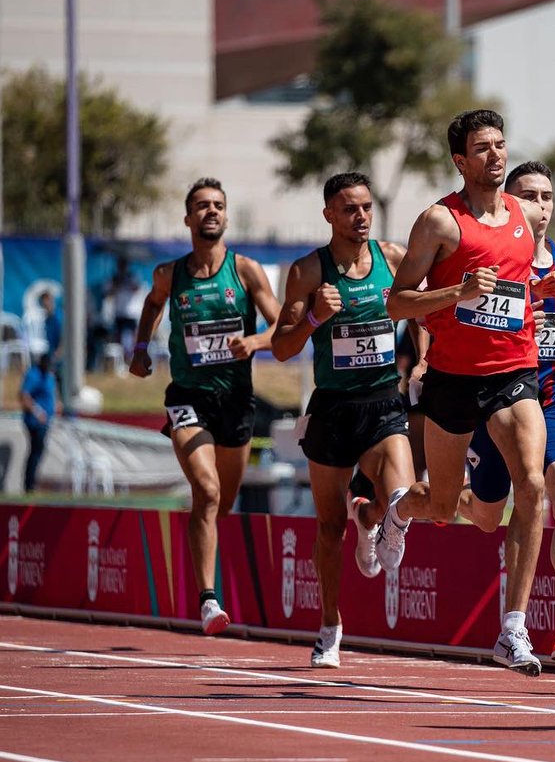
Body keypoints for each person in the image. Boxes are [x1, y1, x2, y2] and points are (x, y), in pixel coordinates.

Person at [381, 109, 552, 677]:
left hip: (514, 372)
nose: (496, 156)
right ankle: (402, 509)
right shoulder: (439, 223)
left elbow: (520, 280)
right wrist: (456, 290)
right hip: (453, 379)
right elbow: (398, 303)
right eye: (482, 148)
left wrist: (541, 286)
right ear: (461, 160)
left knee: (532, 485)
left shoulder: (526, 214)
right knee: (440, 505)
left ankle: (512, 628)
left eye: (501, 145)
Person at [457, 161, 555, 664]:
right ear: (509, 200)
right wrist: (528, 305)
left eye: (547, 197)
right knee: (484, 519)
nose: (540, 207)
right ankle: (446, 499)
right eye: (529, 196)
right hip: (505, 399)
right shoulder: (499, 257)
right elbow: (480, 322)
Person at [272, 172, 422, 668]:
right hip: (333, 408)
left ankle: (373, 520)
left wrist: (421, 358)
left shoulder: (393, 258)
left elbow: (421, 311)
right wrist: (314, 318)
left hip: (383, 401)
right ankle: (330, 627)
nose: (360, 216)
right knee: (329, 524)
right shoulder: (308, 272)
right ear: (329, 215)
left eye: (365, 208)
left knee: (399, 498)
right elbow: (280, 348)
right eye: (349, 209)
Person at [129, 177, 282, 636]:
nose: (210, 211)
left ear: (226, 216)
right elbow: (152, 306)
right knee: (208, 490)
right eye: (201, 206)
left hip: (235, 402)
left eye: (218, 205)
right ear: (188, 218)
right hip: (187, 398)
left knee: (222, 503)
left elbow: (284, 328)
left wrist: (254, 341)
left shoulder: (247, 271)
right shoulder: (168, 275)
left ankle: (201, 536)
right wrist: (140, 348)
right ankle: (207, 600)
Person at [20, 353, 59, 493]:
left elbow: (52, 393)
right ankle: (29, 484)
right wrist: (37, 412)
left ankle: (32, 481)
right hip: (35, 421)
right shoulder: (33, 375)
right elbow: (24, 396)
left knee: (39, 450)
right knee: (36, 450)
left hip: (45, 420)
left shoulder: (49, 376)